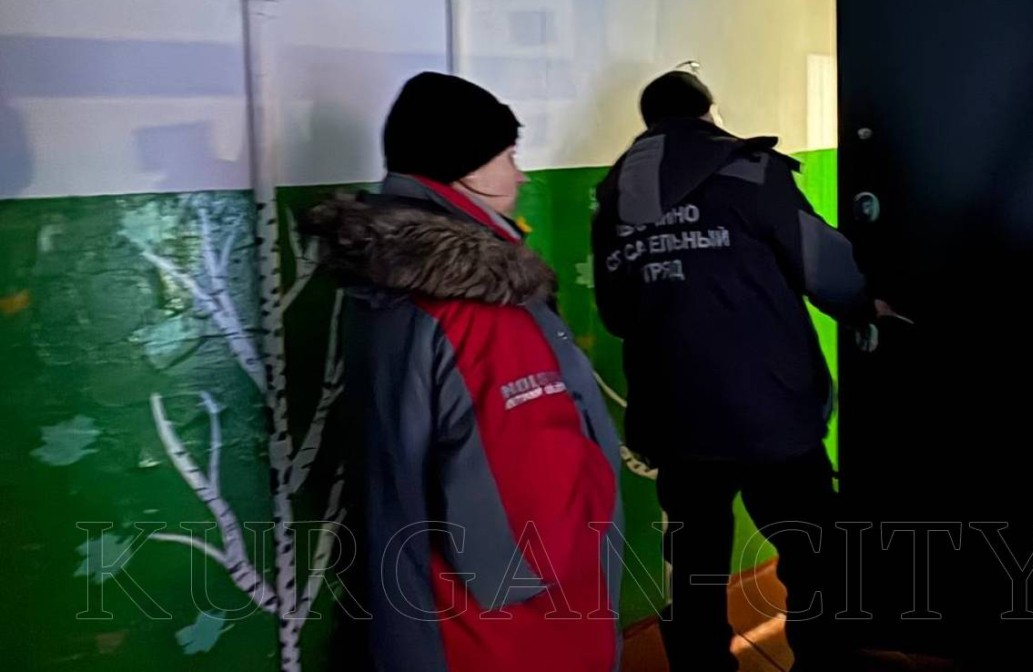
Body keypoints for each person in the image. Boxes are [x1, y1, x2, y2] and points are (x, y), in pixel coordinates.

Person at [308, 72, 622, 672]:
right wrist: (596, 486)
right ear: (466, 170)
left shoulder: (382, 280)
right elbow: (528, 539)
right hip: (506, 639)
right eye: (509, 155)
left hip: (415, 609)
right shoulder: (484, 314)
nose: (520, 175)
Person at [592, 70, 882, 672]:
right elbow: (821, 265)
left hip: (675, 417)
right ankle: (826, 663)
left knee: (695, 562)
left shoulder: (615, 194)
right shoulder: (750, 170)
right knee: (813, 551)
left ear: (649, 124)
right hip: (771, 407)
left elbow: (617, 314)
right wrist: (861, 306)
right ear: (708, 112)